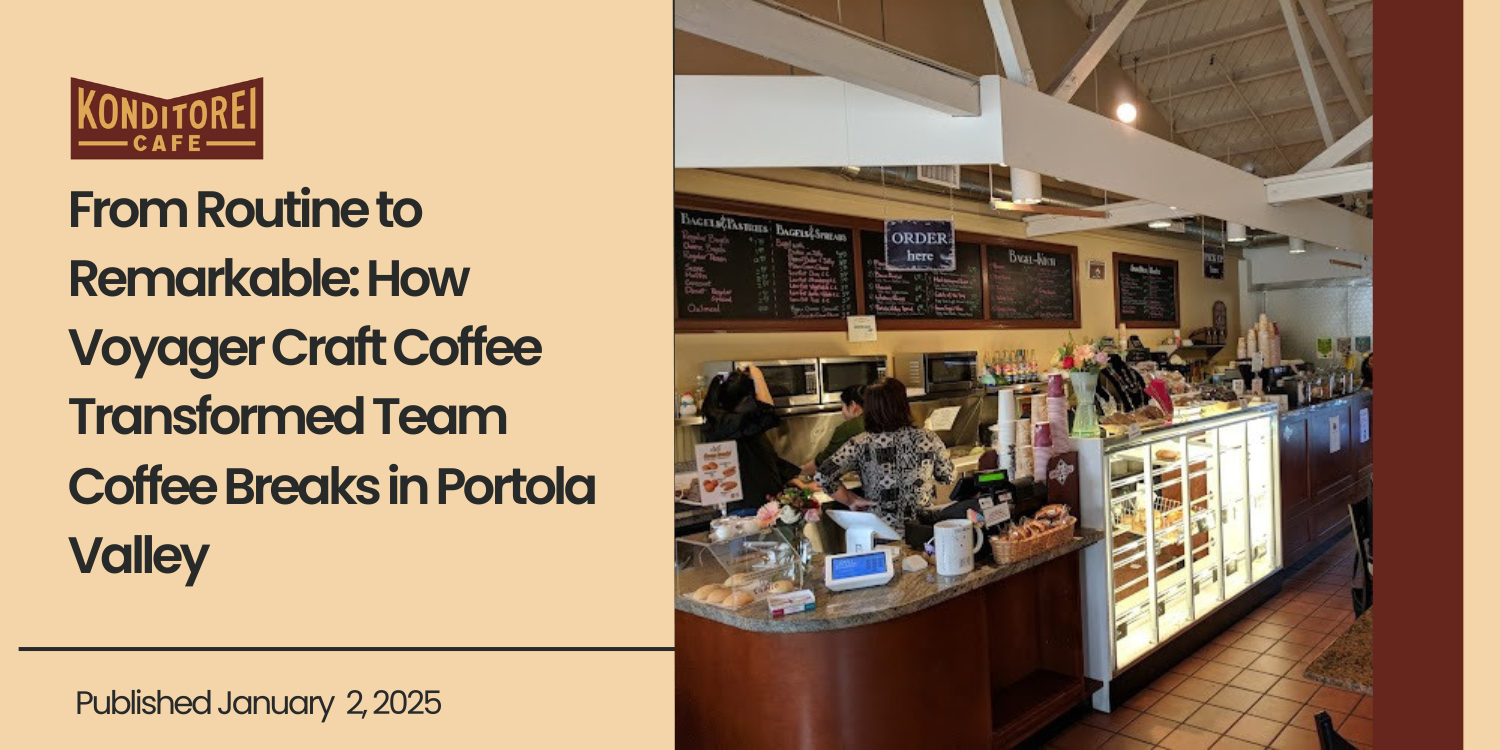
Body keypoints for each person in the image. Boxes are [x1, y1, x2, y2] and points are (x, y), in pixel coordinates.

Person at [813, 378, 956, 531]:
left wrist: (851, 500)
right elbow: (947, 476)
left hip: (881, 530)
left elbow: (823, 476)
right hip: (922, 528)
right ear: (903, 405)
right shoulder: (928, 438)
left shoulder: (861, 443)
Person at [700, 365, 802, 508]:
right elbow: (768, 413)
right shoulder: (728, 425)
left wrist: (792, 480)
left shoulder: (741, 426)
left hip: (762, 506)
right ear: (746, 400)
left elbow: (765, 457)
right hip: (746, 510)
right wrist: (757, 374)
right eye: (754, 397)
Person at [800, 385, 866, 475]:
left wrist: (797, 472)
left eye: (842, 406)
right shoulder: (881, 421)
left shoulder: (849, 428)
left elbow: (824, 462)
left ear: (852, 405)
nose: (842, 412)